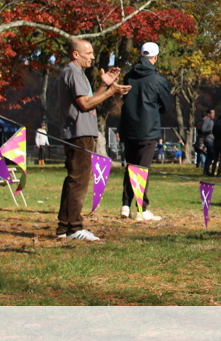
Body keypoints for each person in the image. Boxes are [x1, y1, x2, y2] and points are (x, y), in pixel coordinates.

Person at [56, 39, 130, 241]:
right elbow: (85, 104)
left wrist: (104, 85)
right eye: (88, 53)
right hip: (79, 133)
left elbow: (88, 99)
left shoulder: (77, 72)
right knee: (78, 181)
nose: (93, 57)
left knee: (75, 179)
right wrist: (111, 91)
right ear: (75, 54)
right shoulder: (73, 72)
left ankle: (64, 227)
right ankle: (74, 228)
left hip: (81, 132)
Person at [118, 41, 172, 222]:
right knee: (142, 169)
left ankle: (125, 205)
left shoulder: (128, 77)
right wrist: (155, 110)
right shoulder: (158, 80)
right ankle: (142, 209)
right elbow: (167, 105)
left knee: (131, 167)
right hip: (148, 129)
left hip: (128, 127)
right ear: (155, 57)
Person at [200, 109, 215, 174]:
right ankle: (206, 169)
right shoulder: (206, 120)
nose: (214, 114)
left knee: (210, 155)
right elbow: (203, 130)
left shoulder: (211, 121)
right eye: (212, 113)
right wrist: (211, 130)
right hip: (208, 140)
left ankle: (206, 170)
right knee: (211, 154)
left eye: (214, 113)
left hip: (211, 140)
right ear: (208, 114)